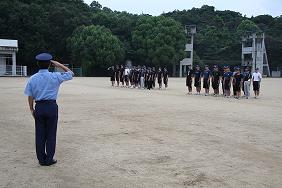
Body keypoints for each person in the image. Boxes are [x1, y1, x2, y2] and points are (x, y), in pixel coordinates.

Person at [24, 53, 74, 166]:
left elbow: (30, 95)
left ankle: (41, 159)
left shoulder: (32, 78)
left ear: (37, 63)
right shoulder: (55, 76)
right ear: (49, 65)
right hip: (51, 107)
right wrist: (58, 64)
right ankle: (49, 158)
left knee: (40, 134)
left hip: (40, 107)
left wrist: (31, 108)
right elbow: (71, 74)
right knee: (51, 133)